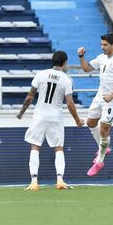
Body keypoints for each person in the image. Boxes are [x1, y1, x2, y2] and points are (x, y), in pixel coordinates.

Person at [17, 51, 85, 191]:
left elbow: (30, 97)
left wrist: (21, 113)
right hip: (56, 117)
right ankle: (60, 180)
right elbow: (70, 103)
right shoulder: (66, 79)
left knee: (35, 146)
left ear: (52, 61)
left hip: (40, 115)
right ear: (65, 62)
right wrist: (77, 120)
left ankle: (34, 182)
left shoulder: (40, 74)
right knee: (58, 148)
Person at [77, 33, 113, 176]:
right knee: (91, 122)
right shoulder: (101, 58)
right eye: (101, 44)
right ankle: (104, 147)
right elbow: (87, 68)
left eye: (105, 45)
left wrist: (112, 95)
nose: (102, 47)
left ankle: (99, 161)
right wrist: (81, 57)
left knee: (104, 128)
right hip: (101, 95)